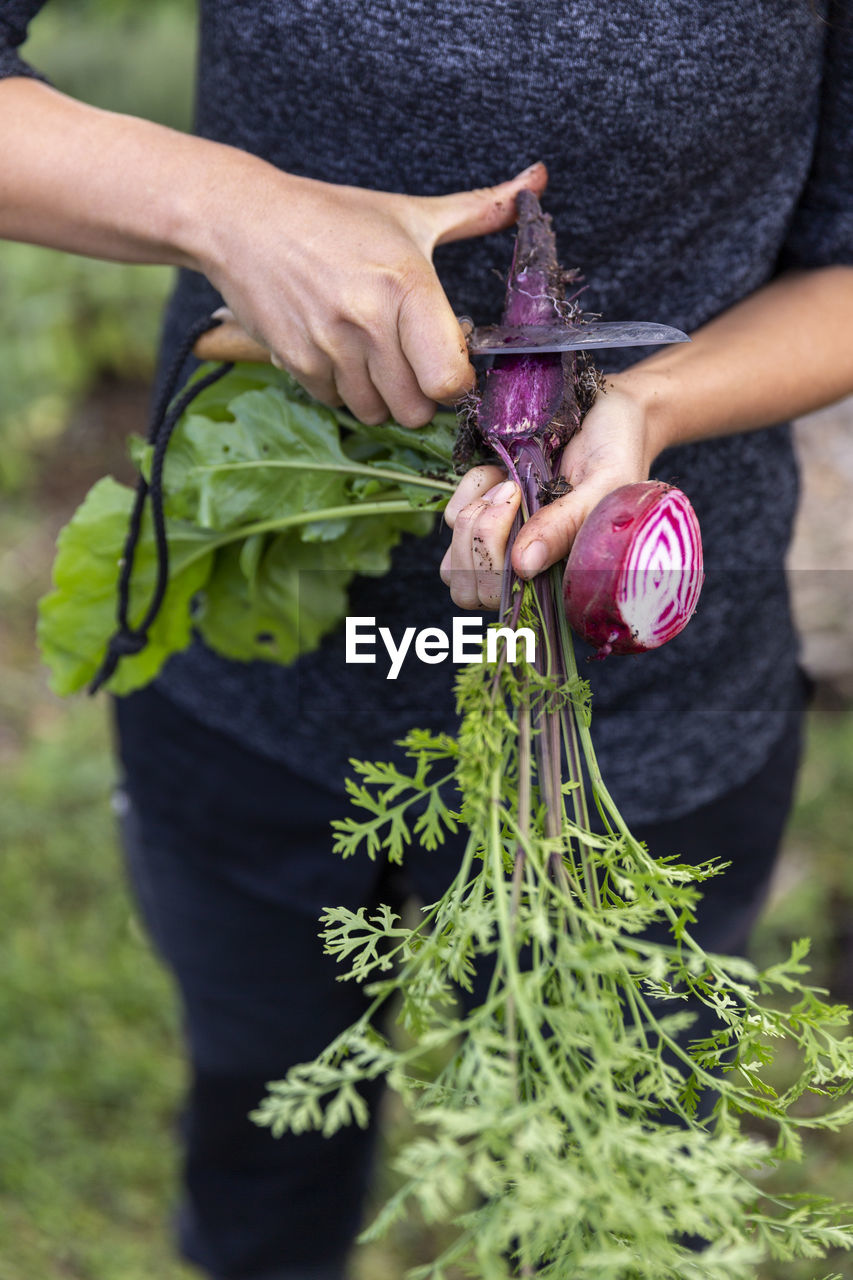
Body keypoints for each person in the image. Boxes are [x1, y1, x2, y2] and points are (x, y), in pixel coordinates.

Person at [2, 2, 852, 1277]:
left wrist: (653, 402)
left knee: (597, 1189)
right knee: (265, 1126)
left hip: (647, 702)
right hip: (260, 643)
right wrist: (230, 209)